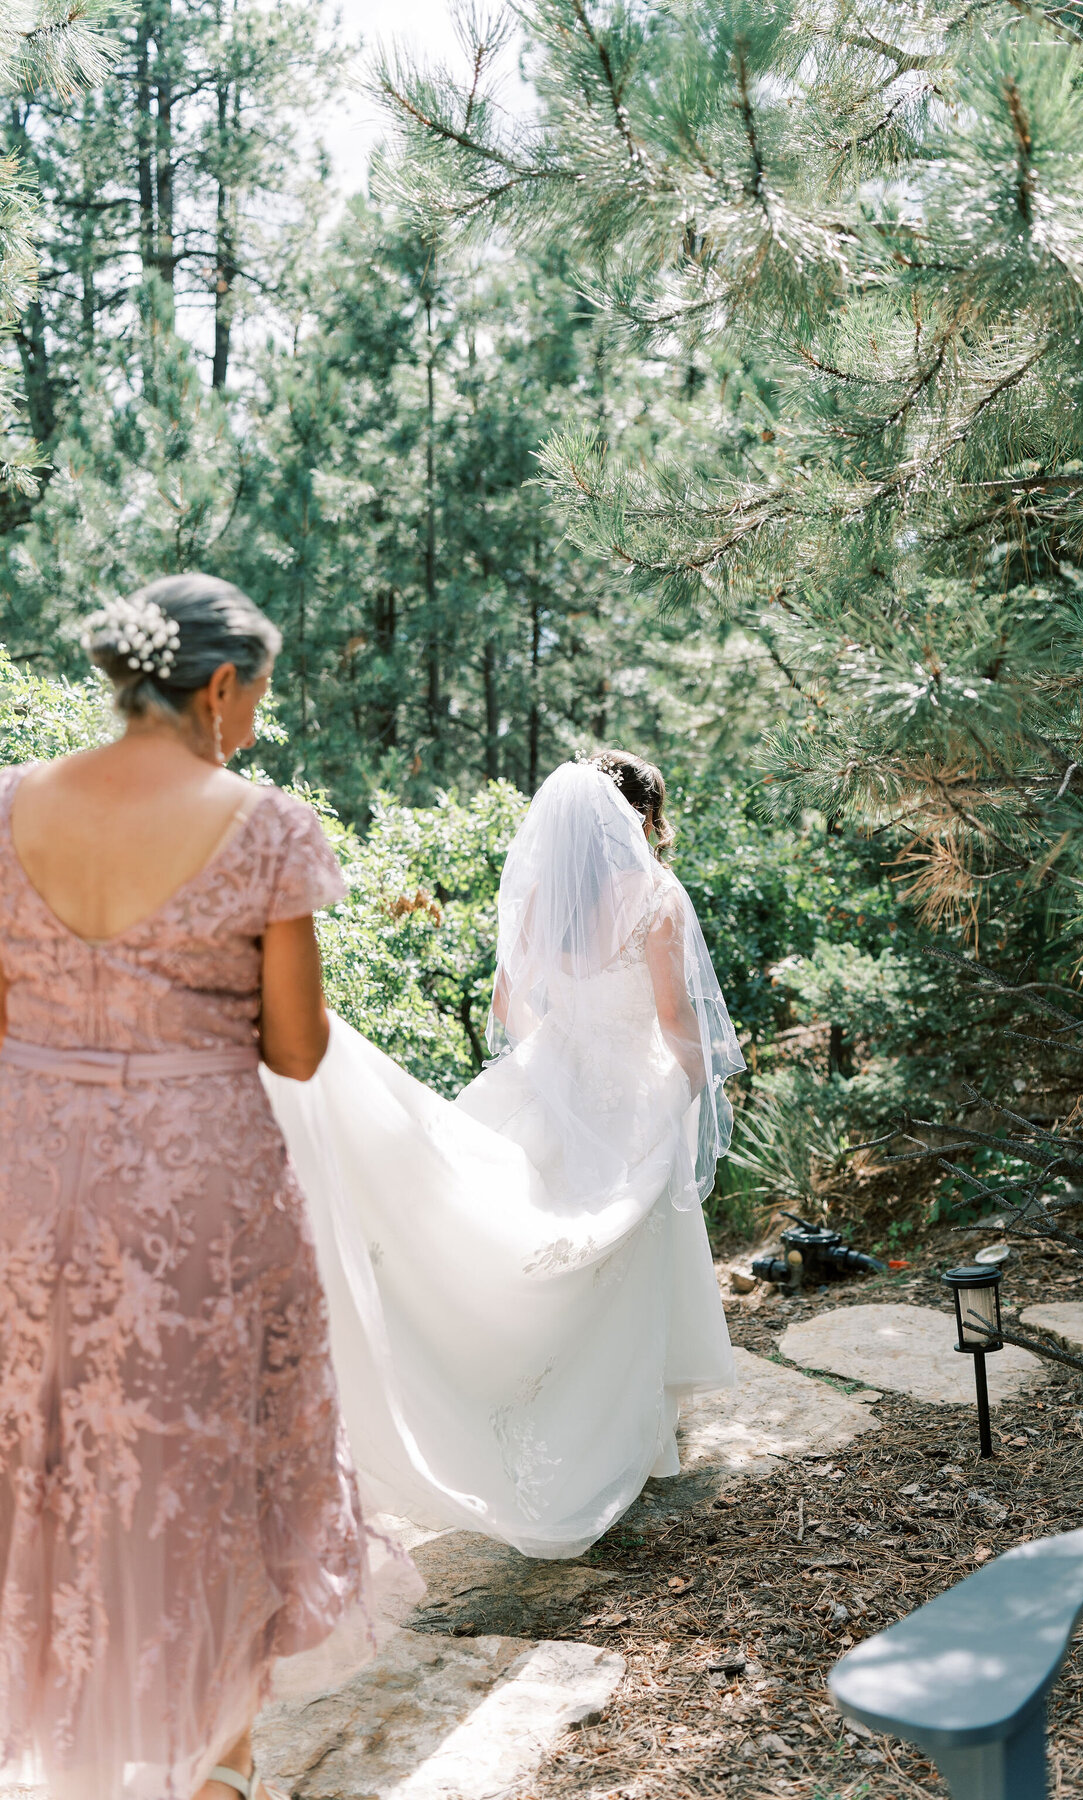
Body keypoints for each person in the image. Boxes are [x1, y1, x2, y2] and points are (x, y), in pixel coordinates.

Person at [0, 575, 419, 1800]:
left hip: (31, 1179)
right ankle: (216, 1767)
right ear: (222, 685)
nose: (252, 724)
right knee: (207, 1446)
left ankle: (60, 1731)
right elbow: (296, 1049)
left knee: (53, 1443)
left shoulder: (10, 805)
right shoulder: (265, 825)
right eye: (256, 698)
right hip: (196, 1183)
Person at [265, 751, 745, 1558]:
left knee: (538, 1255)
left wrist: (559, 1066)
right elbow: (674, 1022)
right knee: (623, 1250)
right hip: (629, 1092)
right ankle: (637, 1437)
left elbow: (510, 1006)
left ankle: (525, 1418)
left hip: (549, 1084)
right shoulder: (657, 897)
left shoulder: (544, 902)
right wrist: (680, 1087)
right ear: (643, 820)